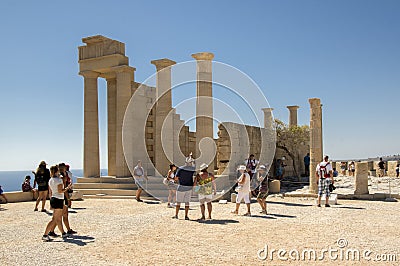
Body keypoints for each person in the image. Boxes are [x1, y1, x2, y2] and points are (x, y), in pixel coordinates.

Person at [42, 165, 72, 241]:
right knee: (55, 219)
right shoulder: (59, 180)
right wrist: (67, 188)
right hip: (58, 199)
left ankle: (63, 233)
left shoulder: (51, 180)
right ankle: (45, 235)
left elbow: (51, 191)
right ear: (56, 171)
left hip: (53, 199)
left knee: (58, 218)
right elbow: (60, 191)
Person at [48, 163, 77, 236]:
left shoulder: (54, 178)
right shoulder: (60, 177)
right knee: (60, 216)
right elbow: (62, 189)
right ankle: (61, 231)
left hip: (56, 197)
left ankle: (60, 230)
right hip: (61, 197)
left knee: (58, 216)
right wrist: (67, 198)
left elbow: (51, 190)